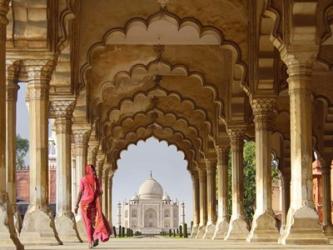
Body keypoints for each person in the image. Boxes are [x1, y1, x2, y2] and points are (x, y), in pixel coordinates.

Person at [75, 164, 112, 248]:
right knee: (95, 222)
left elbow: (80, 192)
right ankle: (95, 237)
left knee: (87, 223)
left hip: (85, 204)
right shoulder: (96, 180)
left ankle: (90, 241)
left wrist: (76, 205)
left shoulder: (83, 180)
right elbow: (100, 192)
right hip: (94, 204)